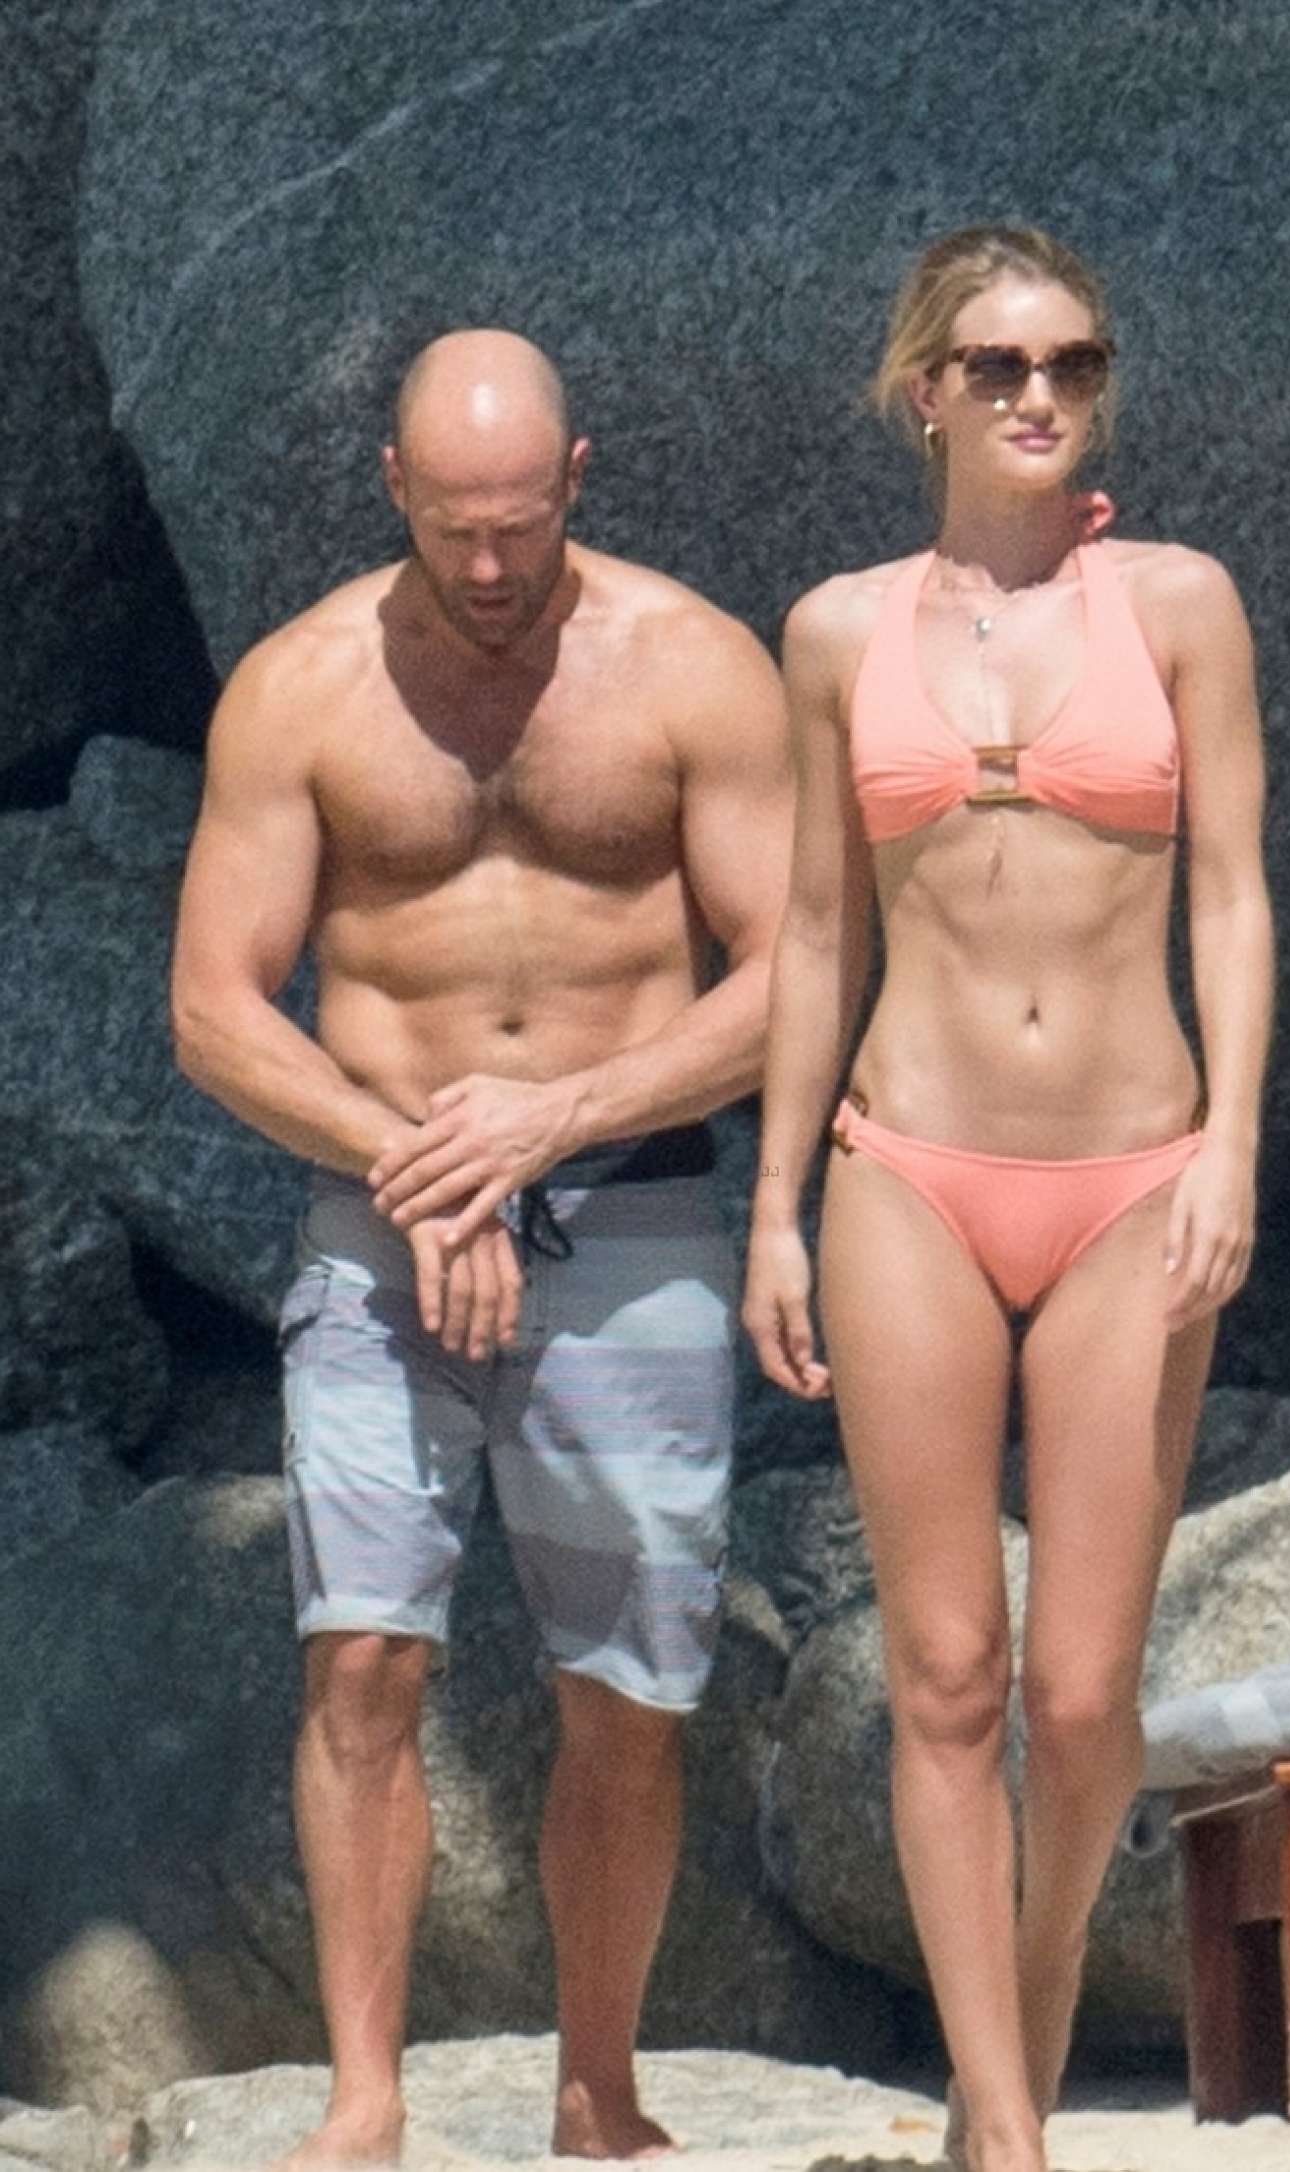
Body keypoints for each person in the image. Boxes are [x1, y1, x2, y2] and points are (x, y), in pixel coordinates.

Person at [171, 328, 792, 2169]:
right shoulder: (300, 688)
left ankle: (599, 2089)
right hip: (381, 1222)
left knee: (630, 1685)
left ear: (577, 478)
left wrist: (551, 1122)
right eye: (455, 526)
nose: (493, 563)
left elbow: (800, 975)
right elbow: (212, 1007)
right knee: (361, 1659)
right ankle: (364, 2102)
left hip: (630, 1209)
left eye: (521, 521)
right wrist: (427, 1169)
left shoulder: (694, 666)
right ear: (393, 489)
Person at [743, 226, 1272, 2172]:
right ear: (925, 395)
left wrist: (1231, 1144)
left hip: (1135, 1175)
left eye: (1072, 362)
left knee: (1081, 1695)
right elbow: (814, 933)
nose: (1040, 393)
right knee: (946, 1674)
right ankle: (1007, 2132)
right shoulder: (832, 631)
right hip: (908, 1169)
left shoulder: (1180, 603)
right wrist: (774, 1207)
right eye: (997, 365)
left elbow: (1232, 895)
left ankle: (1022, 2021)